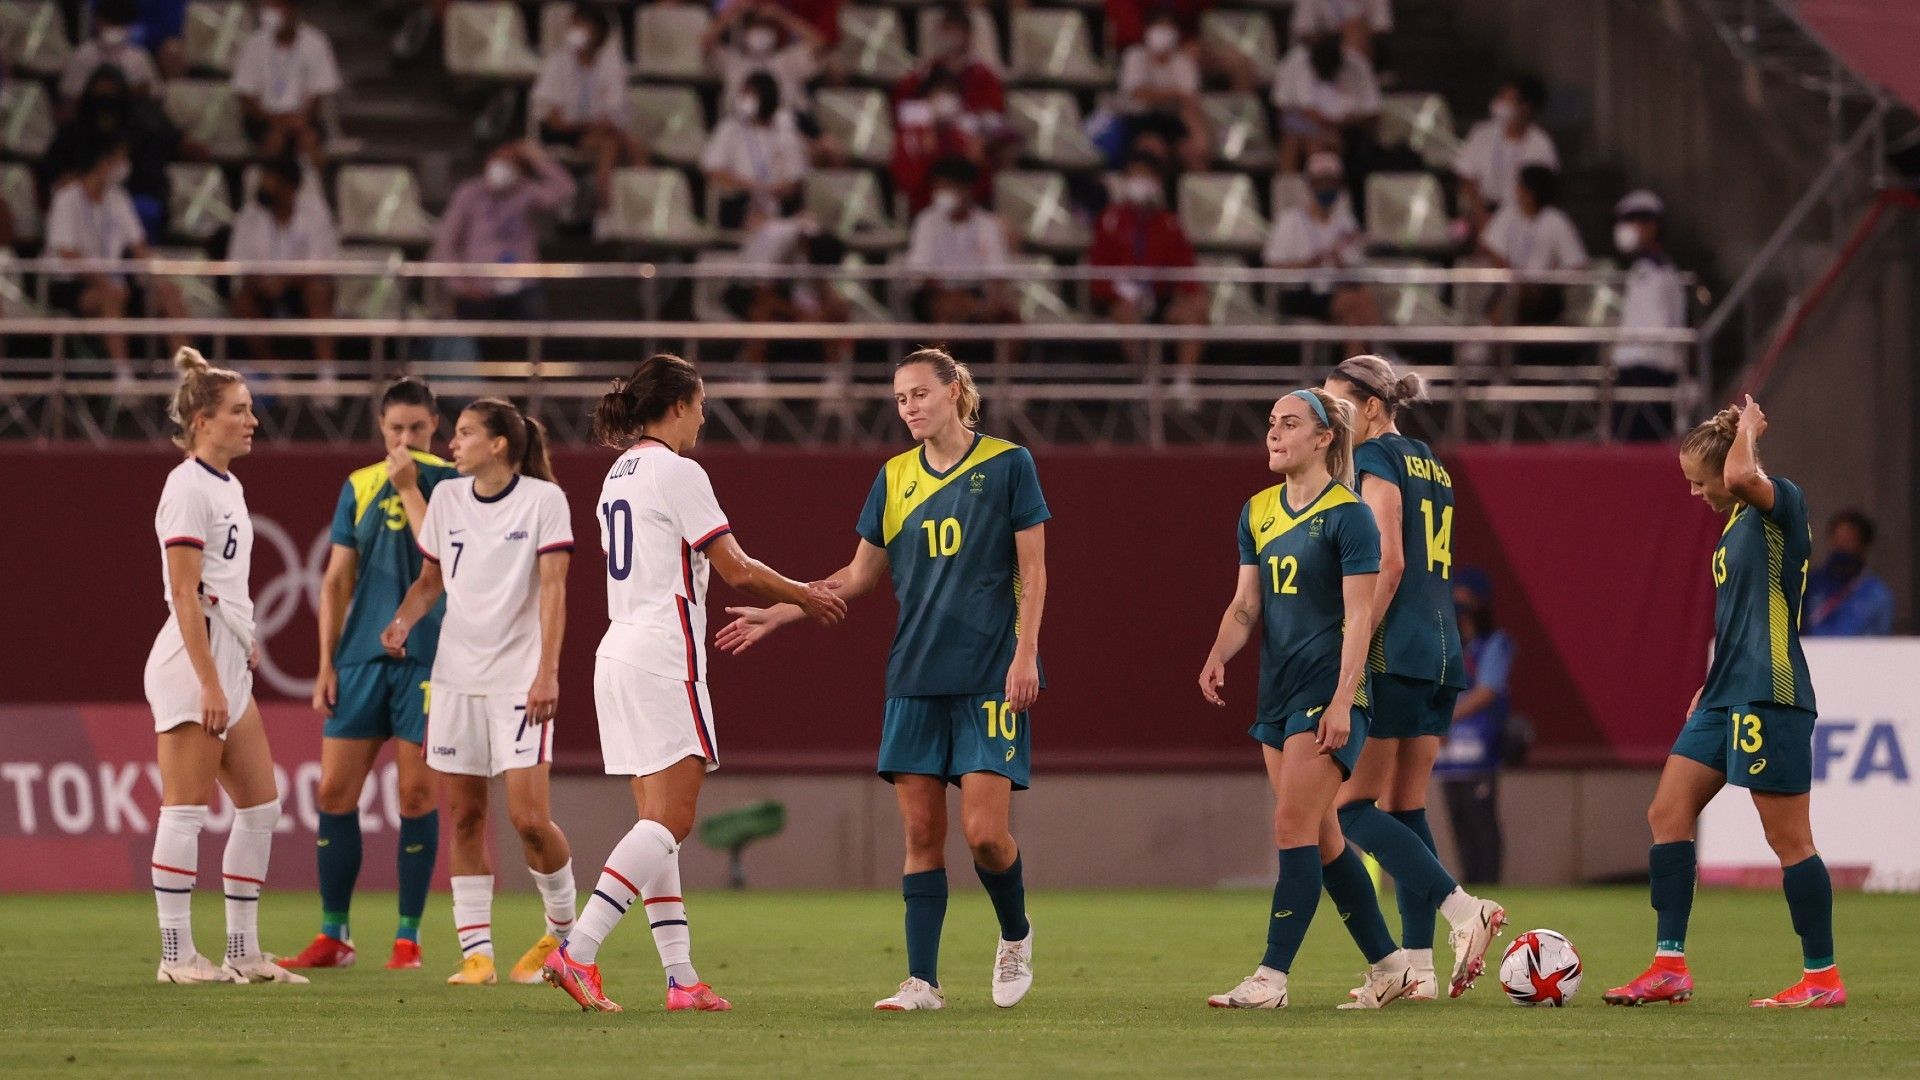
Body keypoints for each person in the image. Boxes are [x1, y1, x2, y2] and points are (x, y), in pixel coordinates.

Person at [717, 349, 1050, 1012]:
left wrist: (1026, 655)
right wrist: (786, 611)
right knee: (922, 836)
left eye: (920, 394)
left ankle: (1015, 933)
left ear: (954, 391)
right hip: (914, 677)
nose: (910, 408)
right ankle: (922, 982)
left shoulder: (1009, 464)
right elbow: (858, 576)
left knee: (984, 833)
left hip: (989, 674)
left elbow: (1034, 573)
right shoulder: (894, 478)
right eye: (900, 399)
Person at [542, 354, 847, 1013]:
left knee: (657, 825)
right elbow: (734, 566)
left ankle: (681, 979)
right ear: (677, 405)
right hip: (661, 652)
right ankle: (578, 949)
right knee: (673, 819)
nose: (705, 415)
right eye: (701, 403)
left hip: (617, 650)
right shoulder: (677, 471)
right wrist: (805, 595)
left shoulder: (615, 475)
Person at [1605, 397, 1846, 1009]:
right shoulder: (1738, 524)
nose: (1696, 494)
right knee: (1667, 812)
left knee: (1788, 839)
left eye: (1699, 482)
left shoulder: (1777, 503)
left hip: (1772, 690)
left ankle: (1822, 978)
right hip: (1724, 692)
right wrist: (1711, 679)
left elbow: (1742, 474)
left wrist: (1746, 430)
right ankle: (1669, 966)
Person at [1196, 387, 1418, 1010]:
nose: (1273, 433)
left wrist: (1346, 699)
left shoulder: (1349, 515)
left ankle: (1272, 978)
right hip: (1278, 691)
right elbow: (1246, 605)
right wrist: (1219, 653)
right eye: (1270, 423)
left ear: (1324, 438)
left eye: (1289, 424)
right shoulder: (1259, 509)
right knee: (1321, 837)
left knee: (1291, 825)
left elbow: (1359, 618)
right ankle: (1391, 964)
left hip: (1328, 689)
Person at [1321, 354, 1507, 1000]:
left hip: (1393, 649)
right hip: (1443, 653)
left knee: (1349, 810)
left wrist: (1353, 651)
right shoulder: (1431, 460)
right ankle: (1420, 971)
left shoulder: (1373, 460)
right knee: (1406, 805)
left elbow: (1390, 561)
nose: (1330, 418)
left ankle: (1465, 911)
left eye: (1338, 405)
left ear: (1373, 408)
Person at [380, 398, 579, 989]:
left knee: (529, 819)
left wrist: (548, 670)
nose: (452, 443)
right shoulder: (445, 499)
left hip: (519, 679)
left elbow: (553, 592)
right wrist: (403, 621)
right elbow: (431, 580)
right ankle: (477, 955)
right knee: (465, 815)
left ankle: (562, 933)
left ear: (498, 445)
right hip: (456, 680)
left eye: (464, 433)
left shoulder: (545, 502)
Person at [283, 377, 460, 972]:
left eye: (416, 427)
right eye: (395, 430)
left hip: (428, 656)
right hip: (360, 658)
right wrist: (325, 664)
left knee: (415, 793)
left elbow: (445, 559)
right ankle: (335, 933)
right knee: (334, 791)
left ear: (434, 425)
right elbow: (335, 580)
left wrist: (412, 487)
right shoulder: (358, 484)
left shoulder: (453, 482)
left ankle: (407, 937)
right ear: (381, 431)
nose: (405, 438)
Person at [144, 347, 304, 986]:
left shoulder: (228, 484)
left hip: (226, 651)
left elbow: (219, 582)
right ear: (203, 421)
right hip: (194, 658)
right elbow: (183, 591)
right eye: (239, 411)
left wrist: (243, 638)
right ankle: (176, 955)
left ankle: (243, 952)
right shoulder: (185, 487)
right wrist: (210, 677)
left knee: (261, 807)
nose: (252, 420)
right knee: (185, 809)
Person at [44, 139, 190, 383]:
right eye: (120, 160)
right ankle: (124, 378)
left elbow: (138, 247)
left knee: (168, 292)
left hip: (117, 282)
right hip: (73, 285)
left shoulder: (118, 198)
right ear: (103, 164)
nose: (124, 166)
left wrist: (159, 277)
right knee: (110, 294)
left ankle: (186, 374)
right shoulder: (66, 199)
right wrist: (103, 281)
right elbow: (67, 254)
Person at [1087, 151, 1208, 403]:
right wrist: (1117, 291)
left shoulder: (1169, 223)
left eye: (1146, 176)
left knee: (1194, 309)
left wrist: (1187, 295)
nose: (1140, 181)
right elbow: (1097, 273)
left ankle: (1183, 384)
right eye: (1134, 175)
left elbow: (1186, 270)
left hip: (1159, 296)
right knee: (1127, 310)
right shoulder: (1110, 220)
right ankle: (1146, 383)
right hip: (1120, 298)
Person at [44, 64, 203, 244]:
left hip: (131, 194)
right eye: (100, 94)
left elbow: (154, 174)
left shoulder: (141, 128)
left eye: (112, 93)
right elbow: (54, 169)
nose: (105, 102)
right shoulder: (74, 131)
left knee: (145, 209)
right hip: (84, 195)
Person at [429, 140, 576, 322]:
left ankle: (539, 349)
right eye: (499, 160)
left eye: (510, 163)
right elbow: (445, 243)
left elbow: (565, 189)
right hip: (478, 285)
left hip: (522, 284)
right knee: (466, 320)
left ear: (520, 170)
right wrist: (460, 285)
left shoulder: (526, 192)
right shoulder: (469, 193)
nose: (502, 167)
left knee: (540, 319)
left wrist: (538, 159)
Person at [1435, 566, 1513, 886]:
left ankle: (1490, 882)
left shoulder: (1495, 643)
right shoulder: (1446, 643)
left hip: (1479, 747)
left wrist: (1446, 716)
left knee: (1482, 820)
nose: (1457, 601)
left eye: (1464, 594)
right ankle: (1470, 883)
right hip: (1448, 751)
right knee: (1458, 821)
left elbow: (1488, 691)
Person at [1264, 151, 1380, 356]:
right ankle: (1385, 354)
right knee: (1358, 299)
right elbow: (1273, 264)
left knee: (1354, 322)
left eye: (1331, 182)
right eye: (1321, 182)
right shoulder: (1290, 220)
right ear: (1310, 184)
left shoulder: (1345, 221)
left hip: (1334, 291)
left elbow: (1354, 267)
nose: (1326, 188)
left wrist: (1338, 260)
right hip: (1299, 293)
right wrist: (1309, 264)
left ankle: (1352, 382)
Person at [228, 155, 339, 368]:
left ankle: (327, 378)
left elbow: (320, 264)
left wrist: (284, 280)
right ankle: (275, 375)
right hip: (262, 290)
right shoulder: (249, 215)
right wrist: (263, 284)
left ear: (290, 187)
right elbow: (238, 264)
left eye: (270, 180)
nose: (263, 186)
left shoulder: (315, 212)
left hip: (302, 288)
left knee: (319, 292)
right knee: (242, 302)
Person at [530, 3, 640, 206]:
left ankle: (639, 211)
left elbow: (617, 110)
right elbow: (555, 121)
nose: (576, 31)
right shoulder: (558, 63)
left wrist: (606, 124)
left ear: (599, 33)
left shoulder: (611, 66)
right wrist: (592, 125)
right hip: (561, 132)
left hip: (594, 130)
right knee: (611, 145)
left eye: (583, 26)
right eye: (574, 25)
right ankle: (605, 211)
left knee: (636, 146)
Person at [1609, 189, 1687, 441]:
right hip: (1631, 371)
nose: (1628, 230)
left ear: (1653, 226)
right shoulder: (1641, 271)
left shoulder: (1661, 273)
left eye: (1635, 222)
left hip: (1650, 373)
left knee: (1643, 445)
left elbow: (1658, 327)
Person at [903, 156, 1016, 325]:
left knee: (1011, 320)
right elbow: (920, 271)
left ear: (967, 190)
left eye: (948, 187)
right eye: (938, 187)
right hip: (935, 293)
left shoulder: (988, 224)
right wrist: (953, 294)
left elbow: (997, 271)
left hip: (976, 293)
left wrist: (991, 301)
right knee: (949, 310)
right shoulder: (926, 221)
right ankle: (936, 351)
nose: (941, 193)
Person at [231, 0, 343, 162]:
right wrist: (276, 122)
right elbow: (245, 95)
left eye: (282, 7)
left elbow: (319, 94)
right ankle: (269, 183)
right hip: (264, 119)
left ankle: (315, 185)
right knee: (274, 141)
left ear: (294, 9)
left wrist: (299, 120)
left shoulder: (316, 42)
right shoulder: (254, 44)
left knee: (308, 140)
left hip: (304, 118)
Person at [1478, 164, 1586, 328]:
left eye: (1521, 186)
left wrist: (1547, 283)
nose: (1517, 191)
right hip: (1509, 287)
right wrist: (1514, 278)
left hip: (1543, 295)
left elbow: (1576, 264)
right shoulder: (1509, 213)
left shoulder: (1556, 221)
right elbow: (1490, 246)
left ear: (1532, 191)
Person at [701, 71, 810, 230]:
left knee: (807, 223)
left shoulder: (786, 132)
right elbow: (713, 170)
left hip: (777, 203)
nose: (744, 99)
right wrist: (754, 186)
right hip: (739, 202)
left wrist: (776, 190)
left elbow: (795, 181)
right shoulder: (730, 127)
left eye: (749, 94)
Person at [1454, 76, 1557, 226]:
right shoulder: (1482, 133)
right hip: (1482, 211)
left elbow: (1540, 189)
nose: (1500, 103)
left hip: (1520, 217)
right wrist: (1481, 216)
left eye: (1507, 99)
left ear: (1526, 107)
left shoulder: (1541, 144)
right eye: (1500, 96)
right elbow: (1467, 178)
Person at [1270, 33, 1380, 174]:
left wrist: (1342, 122)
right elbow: (1281, 108)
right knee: (1294, 144)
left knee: (1324, 144)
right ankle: (1288, 191)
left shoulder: (1358, 66)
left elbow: (1373, 114)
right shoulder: (1294, 61)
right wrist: (1311, 119)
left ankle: (1328, 191)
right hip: (1304, 127)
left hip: (1348, 131)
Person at [1116, 9, 1209, 173]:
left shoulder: (1183, 62)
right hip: (1139, 119)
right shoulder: (1135, 56)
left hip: (1172, 120)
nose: (1163, 33)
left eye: (1168, 27)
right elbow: (1137, 93)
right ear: (1147, 30)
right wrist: (1175, 95)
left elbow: (1189, 101)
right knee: (1153, 148)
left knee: (1193, 152)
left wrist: (1199, 137)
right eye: (1158, 26)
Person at [705, 0, 825, 126]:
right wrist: (732, 13)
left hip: (785, 128)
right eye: (754, 26)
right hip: (742, 128)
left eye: (765, 26)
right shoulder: (732, 61)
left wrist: (781, 16)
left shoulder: (788, 59)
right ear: (745, 31)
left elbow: (819, 44)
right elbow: (705, 45)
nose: (760, 31)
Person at [890, 67, 990, 215]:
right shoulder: (910, 134)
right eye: (941, 92)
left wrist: (979, 163)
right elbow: (907, 182)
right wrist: (926, 154)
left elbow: (981, 188)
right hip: (922, 211)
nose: (947, 98)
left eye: (952, 93)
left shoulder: (966, 135)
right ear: (926, 98)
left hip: (965, 214)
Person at [894, 4, 1005, 127]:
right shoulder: (925, 71)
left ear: (967, 35)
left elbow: (995, 118)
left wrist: (960, 115)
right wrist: (930, 110)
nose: (950, 38)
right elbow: (901, 110)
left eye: (955, 31)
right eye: (946, 31)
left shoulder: (983, 75)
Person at [1804, 510, 1895, 637]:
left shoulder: (1877, 594)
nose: (1841, 546)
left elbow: (1881, 641)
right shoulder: (1810, 584)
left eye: (1849, 540)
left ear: (1863, 545)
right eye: (1837, 539)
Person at [59, 0, 160, 105]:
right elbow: (68, 97)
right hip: (89, 117)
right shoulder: (83, 55)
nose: (114, 30)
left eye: (119, 22)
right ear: (98, 21)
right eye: (111, 21)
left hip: (132, 117)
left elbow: (156, 94)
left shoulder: (139, 56)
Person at [1290, 0, 1393, 61]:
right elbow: (1305, 33)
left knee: (1355, 31)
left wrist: (1356, 31)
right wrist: (1339, 38)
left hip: (1366, 56)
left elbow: (1382, 29)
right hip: (1320, 59)